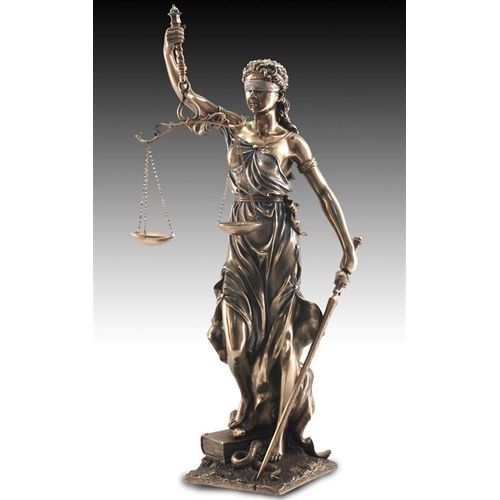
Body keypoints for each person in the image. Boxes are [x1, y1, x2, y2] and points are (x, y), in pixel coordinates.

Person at [164, 25, 357, 462]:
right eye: (249, 90)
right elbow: (187, 95)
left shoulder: (291, 142)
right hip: (241, 245)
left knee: (277, 340)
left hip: (278, 245)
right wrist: (170, 49)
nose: (253, 97)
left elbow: (325, 194)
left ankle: (268, 419)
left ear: (278, 94)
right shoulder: (234, 127)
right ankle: (250, 402)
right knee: (235, 339)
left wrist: (347, 248)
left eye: (262, 91)